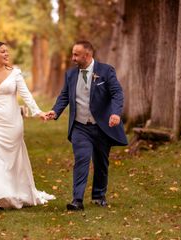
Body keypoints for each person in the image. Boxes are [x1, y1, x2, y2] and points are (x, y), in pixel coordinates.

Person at [0, 41, 55, 212]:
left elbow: (26, 96)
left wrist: (38, 112)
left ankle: (7, 193)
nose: (7, 54)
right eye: (3, 52)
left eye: (7, 51)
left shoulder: (15, 74)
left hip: (11, 122)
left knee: (9, 161)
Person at [46, 40, 128, 211]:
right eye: (72, 54)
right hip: (80, 126)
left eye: (76, 55)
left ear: (87, 55)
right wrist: (55, 111)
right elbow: (64, 96)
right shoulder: (70, 75)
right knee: (82, 159)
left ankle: (98, 195)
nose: (72, 58)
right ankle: (77, 200)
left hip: (101, 126)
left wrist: (115, 113)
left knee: (101, 162)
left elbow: (117, 93)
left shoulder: (106, 71)